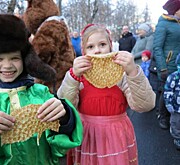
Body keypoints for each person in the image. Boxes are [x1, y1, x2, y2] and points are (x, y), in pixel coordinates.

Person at [0, 14, 83, 165]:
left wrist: (65, 117)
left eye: (14, 58)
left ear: (25, 60)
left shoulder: (41, 93)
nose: (7, 66)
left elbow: (60, 146)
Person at [57, 23, 155, 165]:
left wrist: (133, 72)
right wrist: (72, 77)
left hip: (116, 136)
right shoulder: (78, 76)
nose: (97, 51)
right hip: (87, 136)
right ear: (84, 51)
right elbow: (65, 107)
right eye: (90, 47)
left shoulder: (121, 74)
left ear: (110, 46)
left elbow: (146, 105)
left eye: (102, 44)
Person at [153, 0, 180, 130]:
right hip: (168, 65)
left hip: (178, 64)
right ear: (175, 10)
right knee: (166, 91)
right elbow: (157, 47)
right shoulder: (163, 24)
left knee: (176, 91)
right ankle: (162, 116)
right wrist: (162, 67)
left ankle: (173, 115)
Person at [164, 53, 180, 151]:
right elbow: (168, 90)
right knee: (176, 123)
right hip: (176, 107)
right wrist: (169, 103)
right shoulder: (174, 77)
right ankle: (177, 138)